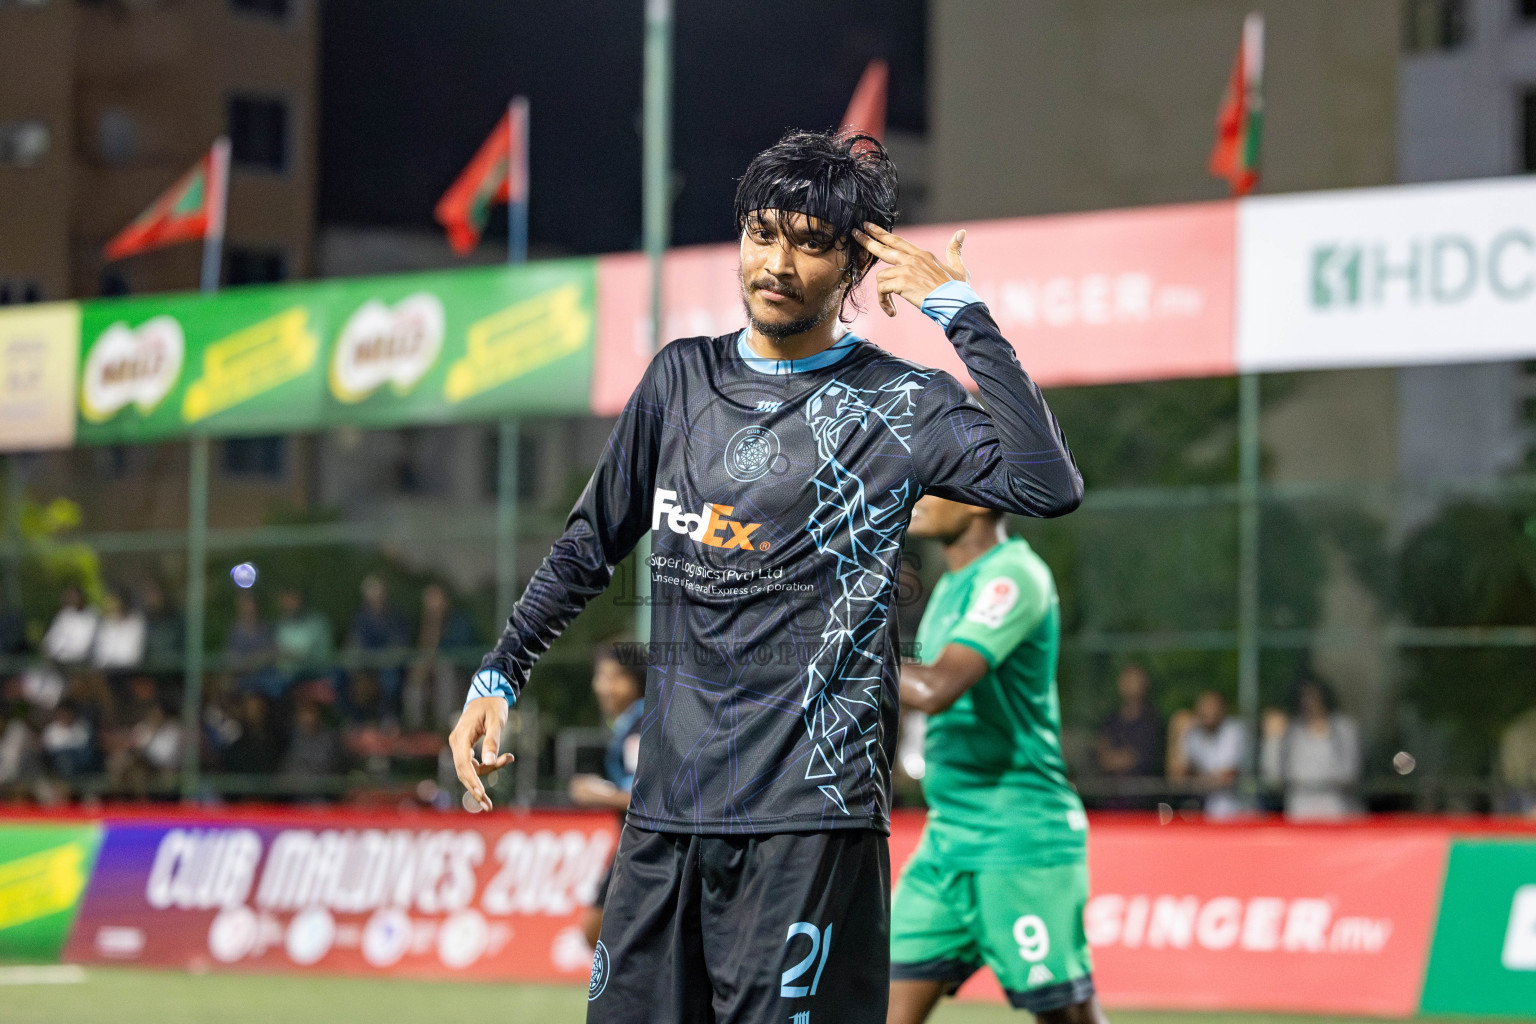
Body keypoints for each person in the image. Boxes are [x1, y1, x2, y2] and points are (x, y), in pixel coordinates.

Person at [450, 129, 1081, 1023]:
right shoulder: (680, 380)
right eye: (761, 232)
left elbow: (1043, 482)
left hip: (808, 823)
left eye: (810, 241)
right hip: (668, 815)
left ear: (855, 263)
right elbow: (590, 541)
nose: (776, 261)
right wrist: (499, 672)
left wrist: (961, 314)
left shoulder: (898, 404)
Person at [889, 496, 1102, 1024]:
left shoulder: (1012, 577)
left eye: (936, 484)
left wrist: (833, 654)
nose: (917, 494)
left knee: (1068, 1016)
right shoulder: (953, 582)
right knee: (877, 1006)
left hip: (1019, 836)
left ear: (980, 498)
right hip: (949, 840)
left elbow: (937, 687)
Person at [568, 641, 648, 948]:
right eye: (600, 676)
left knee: (597, 929)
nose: (601, 686)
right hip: (633, 846)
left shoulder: (641, 724)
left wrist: (596, 794)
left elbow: (645, 796)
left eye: (613, 677)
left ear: (637, 680)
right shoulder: (630, 723)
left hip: (644, 847)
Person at [1261, 676, 1360, 821]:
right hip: (1300, 812)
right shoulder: (1291, 732)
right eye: (1304, 697)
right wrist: (1272, 741)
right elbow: (1273, 778)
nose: (1309, 702)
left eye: (1314, 696)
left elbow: (1350, 773)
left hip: (1337, 811)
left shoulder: (1343, 728)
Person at [1167, 690, 1246, 819]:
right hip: (1201, 816)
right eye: (1204, 707)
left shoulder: (1234, 731)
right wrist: (1180, 733)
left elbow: (1226, 778)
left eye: (1213, 706)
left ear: (1223, 709)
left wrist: (1194, 778)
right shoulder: (1194, 735)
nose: (1209, 712)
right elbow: (1176, 777)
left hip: (1235, 814)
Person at [1093, 664, 1164, 807]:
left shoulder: (1152, 721)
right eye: (1127, 680)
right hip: (1109, 797)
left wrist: (1120, 759)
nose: (1130, 685)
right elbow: (1103, 757)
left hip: (1143, 800)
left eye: (1134, 680)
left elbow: (1143, 758)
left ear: (1145, 685)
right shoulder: (1110, 720)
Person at [347, 574, 410, 721]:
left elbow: (400, 645)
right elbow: (354, 643)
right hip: (365, 664)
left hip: (388, 664)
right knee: (343, 677)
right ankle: (355, 720)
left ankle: (387, 717)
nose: (376, 599)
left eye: (379, 594)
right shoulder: (360, 618)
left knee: (390, 679)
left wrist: (383, 659)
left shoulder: (396, 617)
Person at [273, 587, 334, 690]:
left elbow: (309, 656)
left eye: (292, 599)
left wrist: (287, 654)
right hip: (286, 673)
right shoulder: (281, 625)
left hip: (313, 671)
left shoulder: (317, 623)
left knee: (279, 685)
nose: (288, 604)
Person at [41, 586, 97, 666]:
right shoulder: (63, 616)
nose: (72, 600)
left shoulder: (91, 616)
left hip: (85, 662)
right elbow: (52, 642)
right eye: (70, 597)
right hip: (62, 663)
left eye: (74, 597)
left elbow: (87, 644)